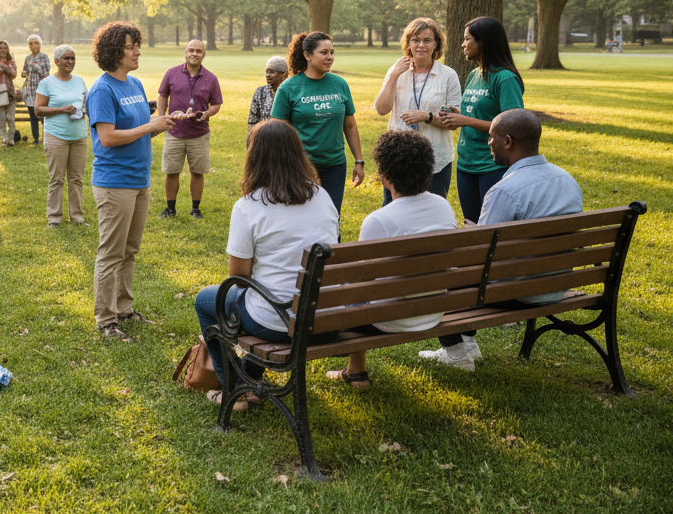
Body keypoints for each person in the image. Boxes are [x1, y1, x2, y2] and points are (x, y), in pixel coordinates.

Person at [421, 109, 583, 371]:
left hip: (515, 293)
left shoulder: (505, 191)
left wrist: (470, 236)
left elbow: (481, 257)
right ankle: (467, 344)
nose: (488, 143)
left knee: (437, 268)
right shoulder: (566, 179)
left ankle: (455, 352)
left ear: (507, 142)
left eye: (491, 137)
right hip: (556, 284)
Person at [193, 119, 339, 409]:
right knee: (263, 300)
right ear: (298, 153)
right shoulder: (322, 196)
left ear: (254, 158)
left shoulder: (248, 206)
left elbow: (238, 276)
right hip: (327, 317)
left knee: (206, 301)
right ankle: (248, 375)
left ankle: (234, 389)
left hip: (279, 323)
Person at [326, 131, 456, 389]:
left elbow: (360, 283)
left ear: (385, 179)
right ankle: (355, 371)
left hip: (389, 319)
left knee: (346, 287)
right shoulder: (444, 206)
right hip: (432, 311)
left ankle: (356, 371)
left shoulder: (379, 221)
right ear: (428, 171)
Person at [86, 22, 175, 341]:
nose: (137, 51)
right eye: (130, 47)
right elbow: (107, 137)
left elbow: (139, 126)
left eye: (137, 44)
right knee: (111, 251)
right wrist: (149, 127)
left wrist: (159, 124)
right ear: (114, 52)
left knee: (130, 249)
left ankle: (124, 309)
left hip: (139, 180)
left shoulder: (135, 84)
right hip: (114, 182)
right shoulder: (102, 90)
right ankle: (106, 319)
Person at [437, 16, 524, 224]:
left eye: (467, 39)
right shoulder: (474, 74)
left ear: (482, 41)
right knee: (471, 225)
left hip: (492, 166)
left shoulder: (505, 79)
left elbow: (513, 127)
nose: (463, 44)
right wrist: (457, 114)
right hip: (466, 165)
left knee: (492, 227)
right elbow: (478, 113)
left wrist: (465, 120)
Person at [271, 31, 364, 213]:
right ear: (307, 55)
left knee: (331, 216)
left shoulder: (340, 84)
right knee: (303, 216)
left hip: (335, 165)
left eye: (332, 52)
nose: (330, 57)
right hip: (301, 166)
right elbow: (279, 131)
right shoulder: (289, 88)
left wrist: (359, 161)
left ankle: (331, 244)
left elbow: (350, 125)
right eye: (324, 52)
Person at [373, 18, 462, 204]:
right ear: (408, 43)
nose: (421, 45)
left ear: (436, 44)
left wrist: (427, 116)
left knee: (431, 213)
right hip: (398, 156)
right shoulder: (396, 71)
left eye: (427, 40)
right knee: (393, 212)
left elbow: (454, 122)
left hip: (435, 158)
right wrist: (393, 76)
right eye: (415, 40)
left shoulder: (448, 75)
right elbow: (381, 109)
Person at [157, 39, 223, 219]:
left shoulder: (211, 78)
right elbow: (162, 95)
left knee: (197, 172)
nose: (195, 54)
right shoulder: (171, 73)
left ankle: (195, 208)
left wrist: (207, 114)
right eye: (191, 50)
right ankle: (170, 208)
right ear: (185, 53)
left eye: (199, 51)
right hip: (174, 131)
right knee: (171, 171)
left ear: (204, 55)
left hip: (199, 134)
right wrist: (162, 117)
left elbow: (216, 104)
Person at [35, 44, 89, 227]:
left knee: (76, 178)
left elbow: (86, 105)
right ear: (56, 61)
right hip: (56, 136)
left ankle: (77, 217)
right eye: (66, 58)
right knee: (56, 179)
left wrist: (83, 110)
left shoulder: (80, 81)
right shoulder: (47, 83)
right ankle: (54, 218)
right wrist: (61, 109)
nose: (70, 62)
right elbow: (38, 110)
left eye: (73, 58)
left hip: (79, 136)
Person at [21, 34, 51, 145]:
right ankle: (36, 139)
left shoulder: (44, 57)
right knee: (32, 116)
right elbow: (23, 73)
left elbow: (46, 75)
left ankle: (46, 138)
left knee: (43, 116)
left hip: (41, 91)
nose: (33, 46)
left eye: (36, 43)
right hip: (30, 91)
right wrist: (26, 71)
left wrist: (36, 68)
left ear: (40, 44)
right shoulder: (28, 58)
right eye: (31, 44)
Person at [247, 56, 288, 130]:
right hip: (264, 136)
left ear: (283, 74)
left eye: (272, 72)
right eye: (266, 72)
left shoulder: (290, 92)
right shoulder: (260, 92)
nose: (268, 75)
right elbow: (252, 121)